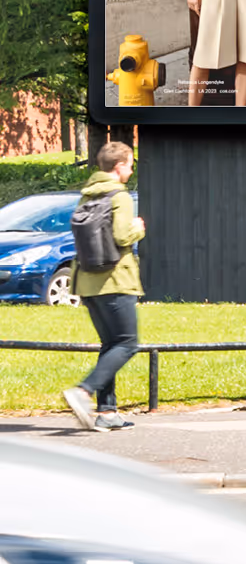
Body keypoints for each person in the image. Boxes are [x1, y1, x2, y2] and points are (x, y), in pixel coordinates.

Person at [61, 142, 144, 432]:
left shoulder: (86, 195)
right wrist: (139, 226)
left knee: (110, 344)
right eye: (130, 163)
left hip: (86, 280)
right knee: (127, 343)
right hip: (115, 280)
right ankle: (83, 391)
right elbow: (122, 237)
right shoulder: (119, 196)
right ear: (119, 166)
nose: (131, 169)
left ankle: (107, 413)